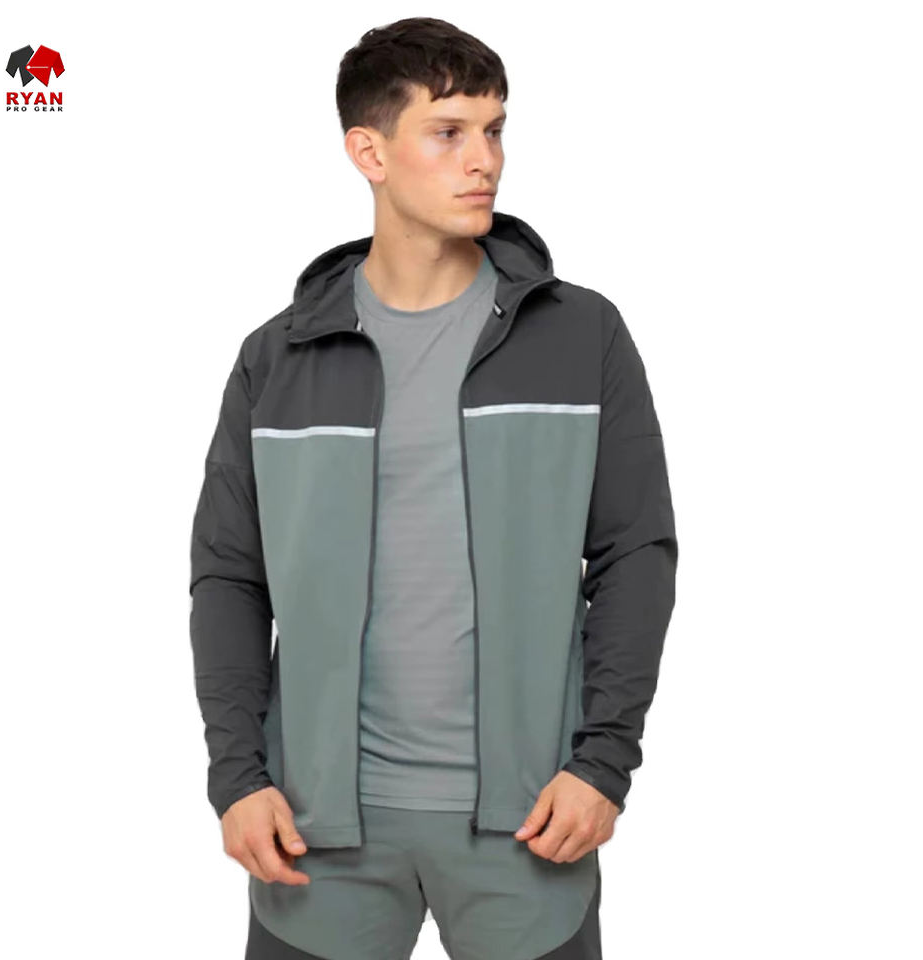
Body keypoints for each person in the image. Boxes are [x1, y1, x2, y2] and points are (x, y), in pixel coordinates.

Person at [189, 17, 678, 960]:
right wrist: (237, 778)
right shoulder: (278, 359)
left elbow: (635, 556)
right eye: (448, 132)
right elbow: (230, 578)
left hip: (530, 822)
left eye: (494, 130)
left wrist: (603, 765)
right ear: (368, 152)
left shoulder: (583, 336)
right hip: (315, 829)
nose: (484, 159)